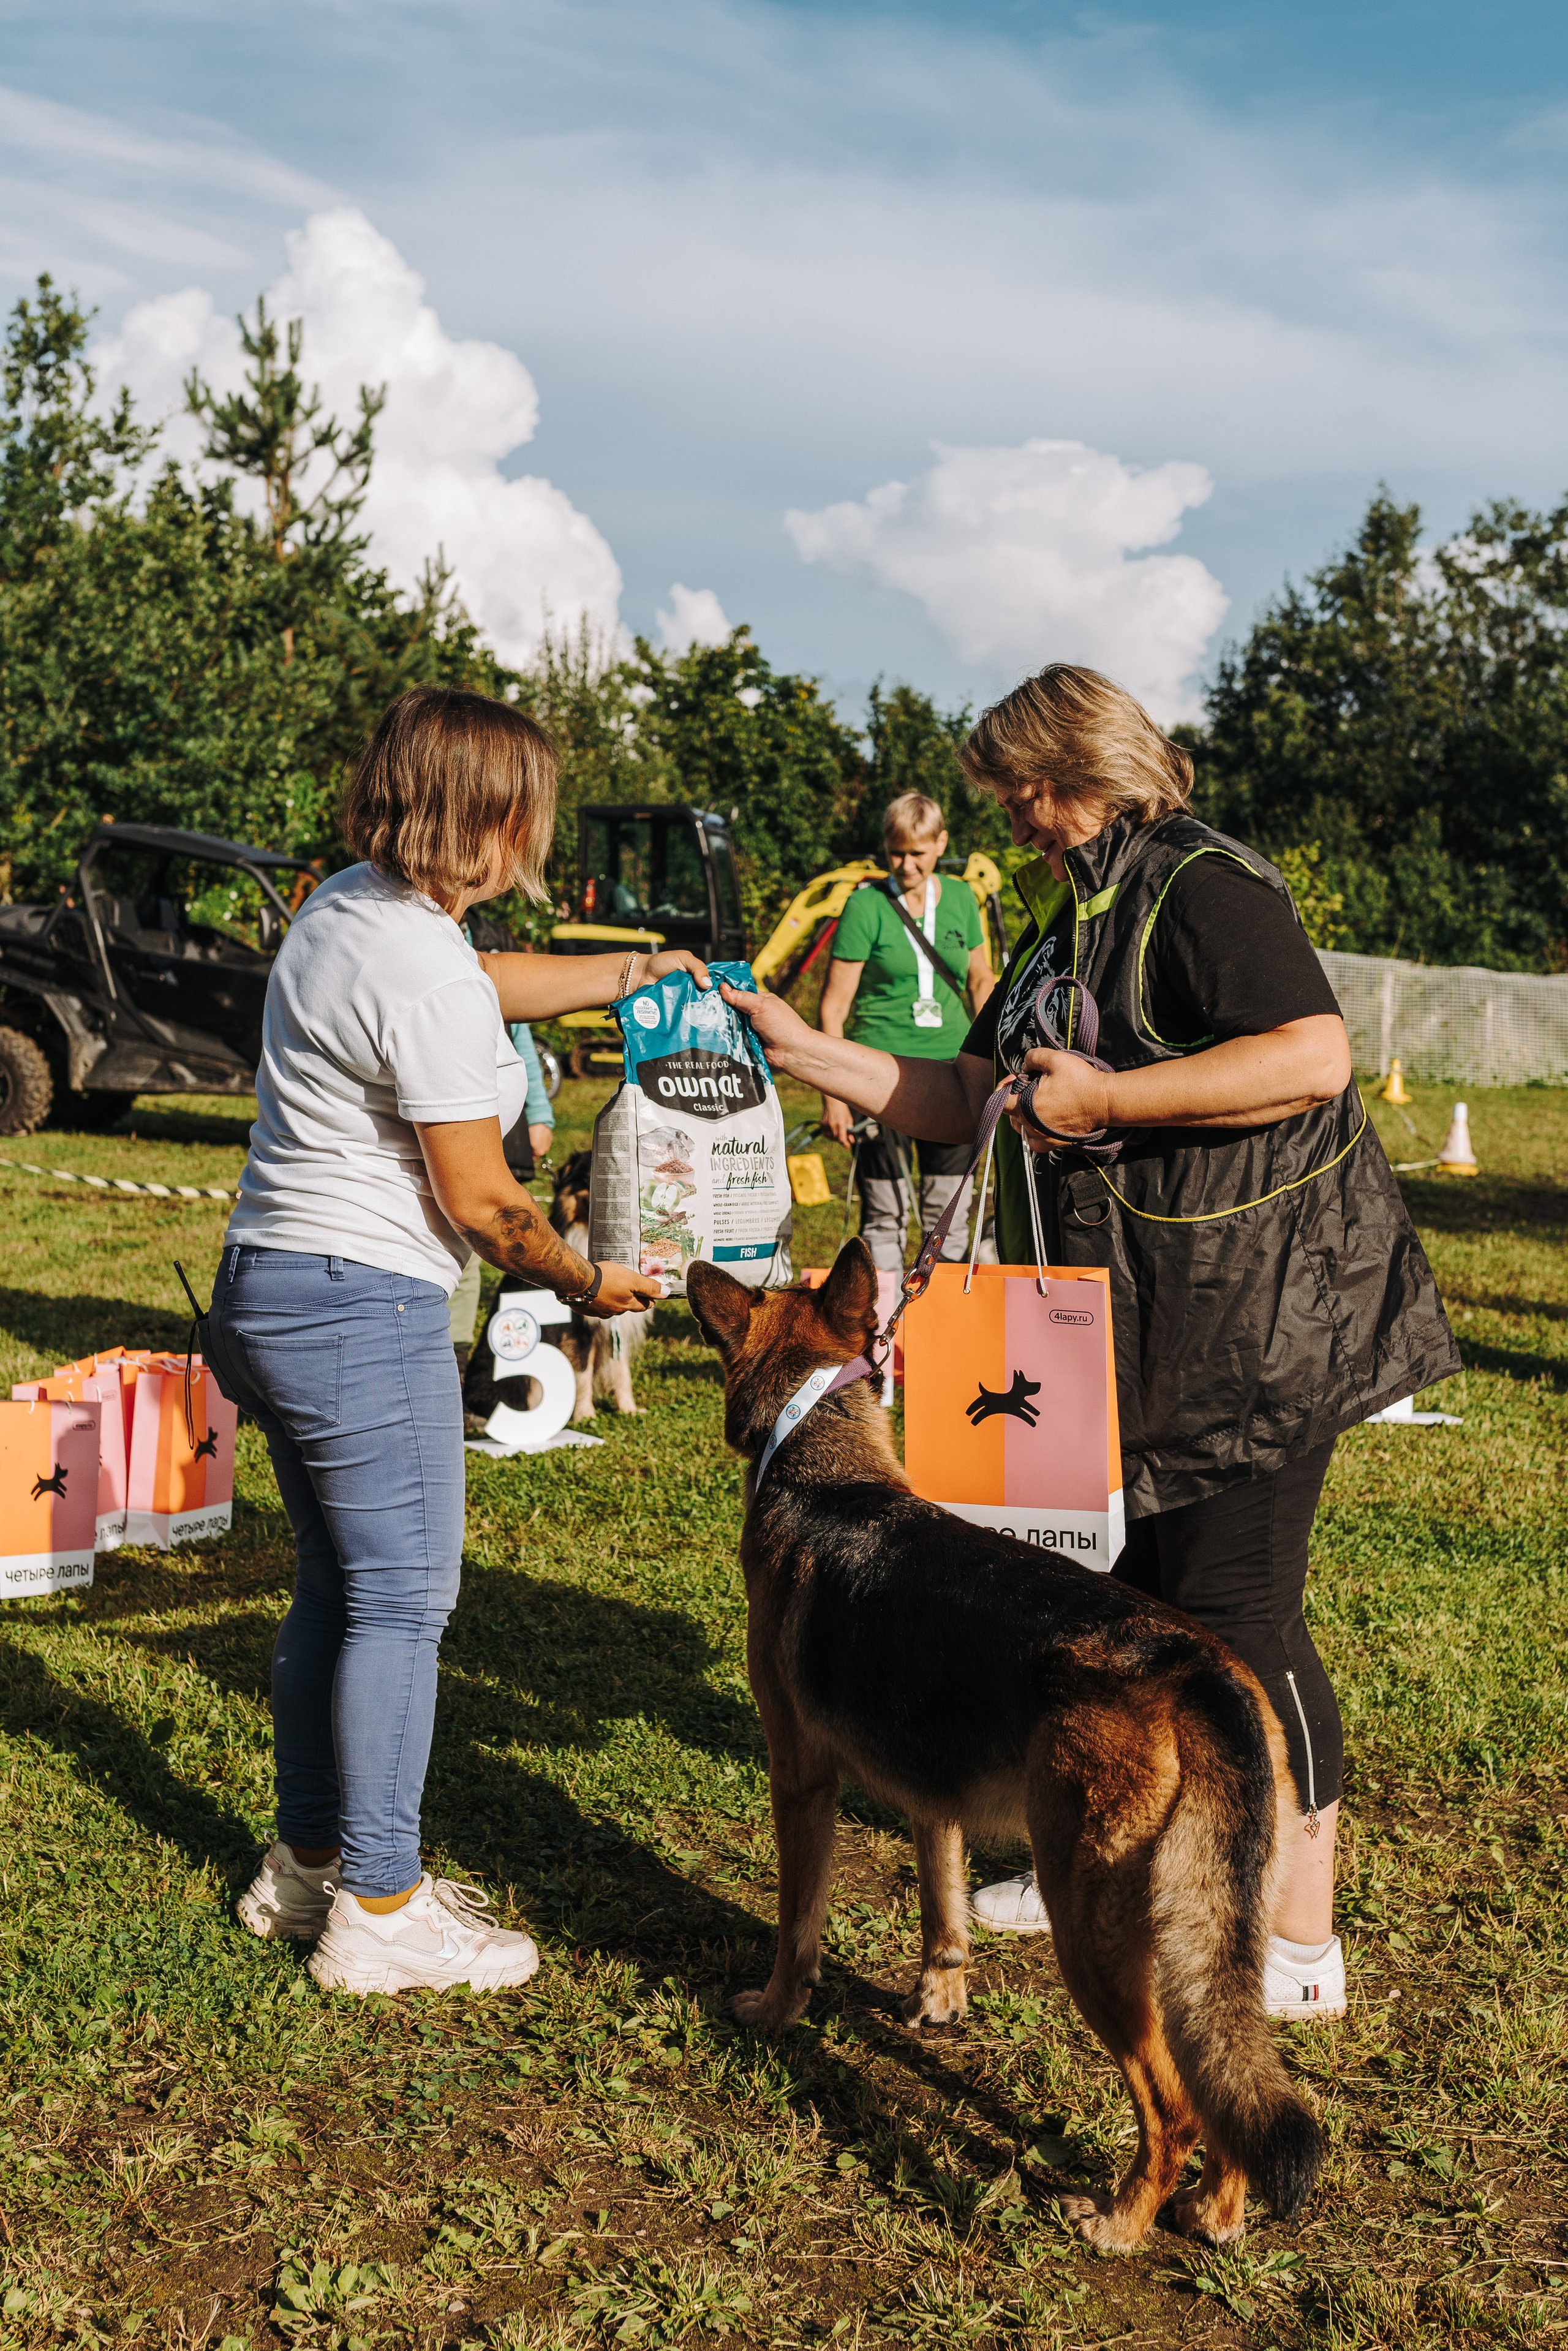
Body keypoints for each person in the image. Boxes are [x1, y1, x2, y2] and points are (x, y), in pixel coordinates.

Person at [722, 663, 1457, 2021]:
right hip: (1142, 1328)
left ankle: (1295, 1933)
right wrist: (793, 1045)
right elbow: (956, 1092)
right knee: (1135, 1606)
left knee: (1239, 1618)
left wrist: (1111, 1091)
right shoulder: (1074, 919)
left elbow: (1308, 1055)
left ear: (1078, 768)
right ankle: (1141, 1860)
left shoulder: (1199, 882)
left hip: (1258, 1317)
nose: (1007, 816)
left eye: (1020, 788)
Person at [208, 684, 707, 1996]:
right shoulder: (422, 961)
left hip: (266, 1283)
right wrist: (591, 1278)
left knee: (336, 1583)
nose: (534, 839)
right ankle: (381, 1903)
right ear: (487, 816)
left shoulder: (346, 906)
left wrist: (634, 970)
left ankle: (307, 1863)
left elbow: (483, 980)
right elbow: (485, 1201)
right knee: (402, 1602)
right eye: (528, 813)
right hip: (356, 1306)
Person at [819, 792, 994, 1277]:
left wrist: (999, 1055)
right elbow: (833, 1006)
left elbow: (981, 980)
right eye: (897, 852)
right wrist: (833, 1095)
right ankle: (886, 1333)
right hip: (880, 1076)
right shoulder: (865, 905)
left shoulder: (961, 898)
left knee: (950, 1212)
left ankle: (944, 1326)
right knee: (885, 1212)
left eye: (919, 852)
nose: (907, 864)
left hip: (955, 1073)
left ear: (941, 844)